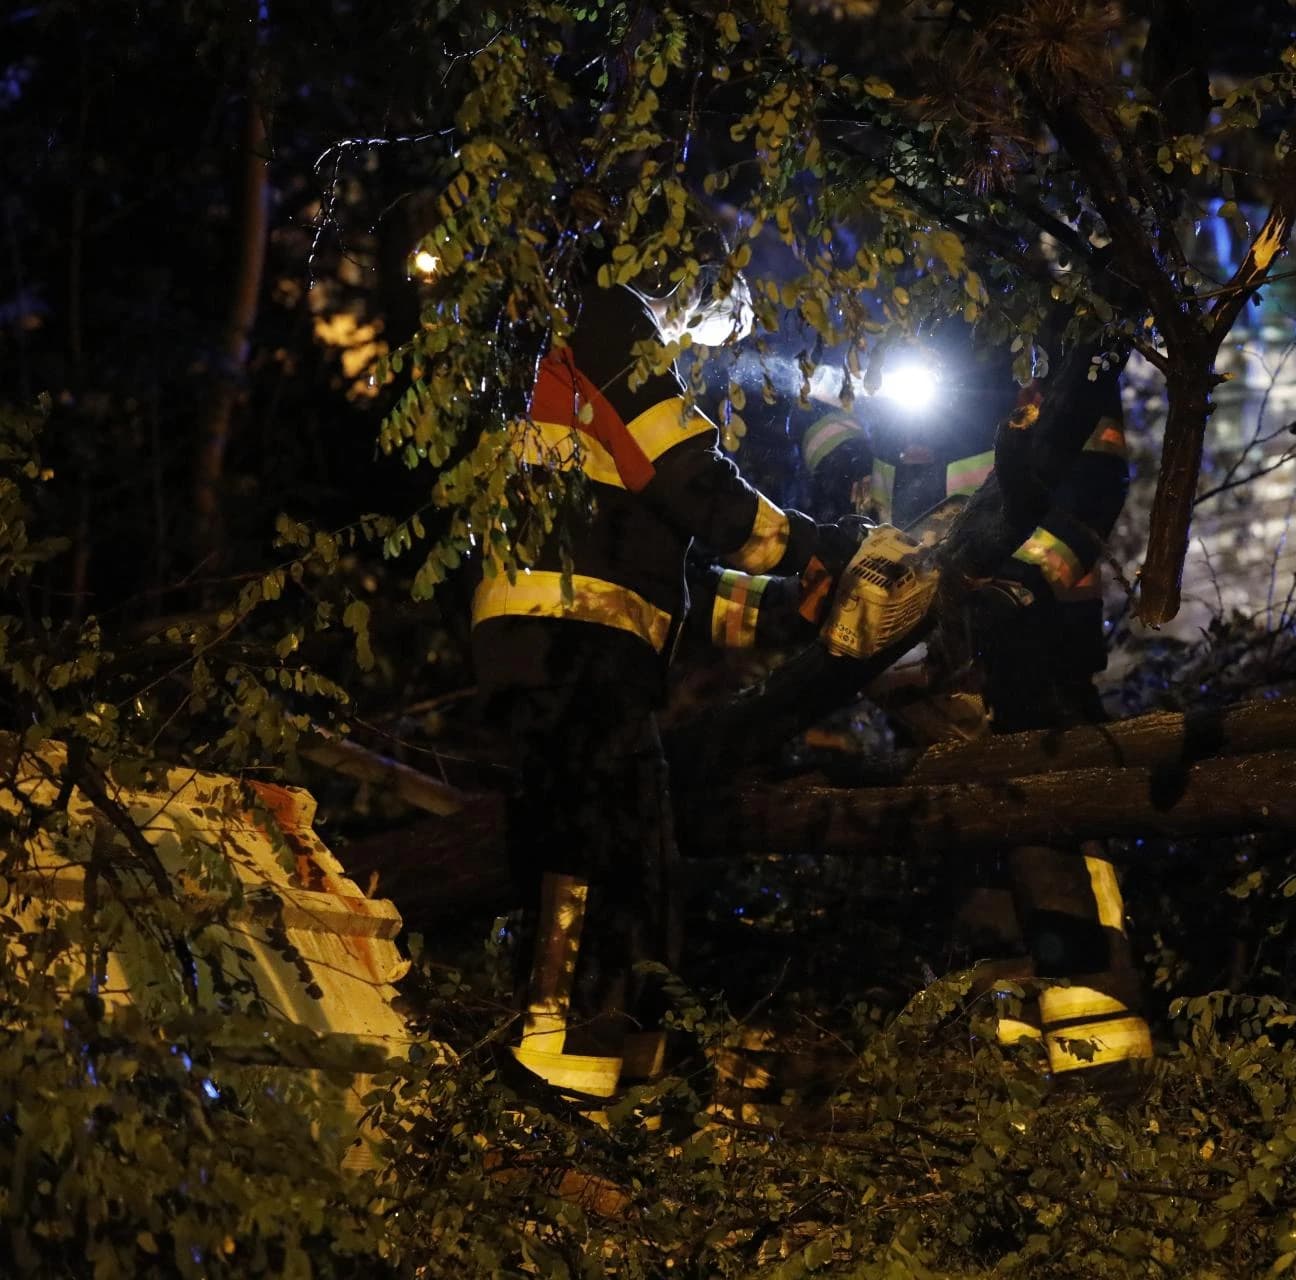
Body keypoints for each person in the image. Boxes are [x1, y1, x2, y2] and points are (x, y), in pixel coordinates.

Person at [472, 259, 863, 1100]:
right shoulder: (612, 319)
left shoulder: (555, 356)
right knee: (596, 847)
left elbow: (664, 575)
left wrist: (792, 607)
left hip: (568, 633)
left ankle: (617, 1063)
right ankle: (561, 1058)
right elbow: (691, 480)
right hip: (577, 637)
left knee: (624, 846)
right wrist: (813, 544)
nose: (703, 348)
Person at [802, 344, 1152, 1082]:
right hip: (924, 657)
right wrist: (843, 480)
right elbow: (821, 414)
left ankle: (1099, 1036)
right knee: (973, 835)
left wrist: (1020, 586)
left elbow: (1093, 486)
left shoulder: (1055, 347)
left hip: (1037, 640)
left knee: (1053, 817)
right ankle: (1008, 1045)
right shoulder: (887, 334)